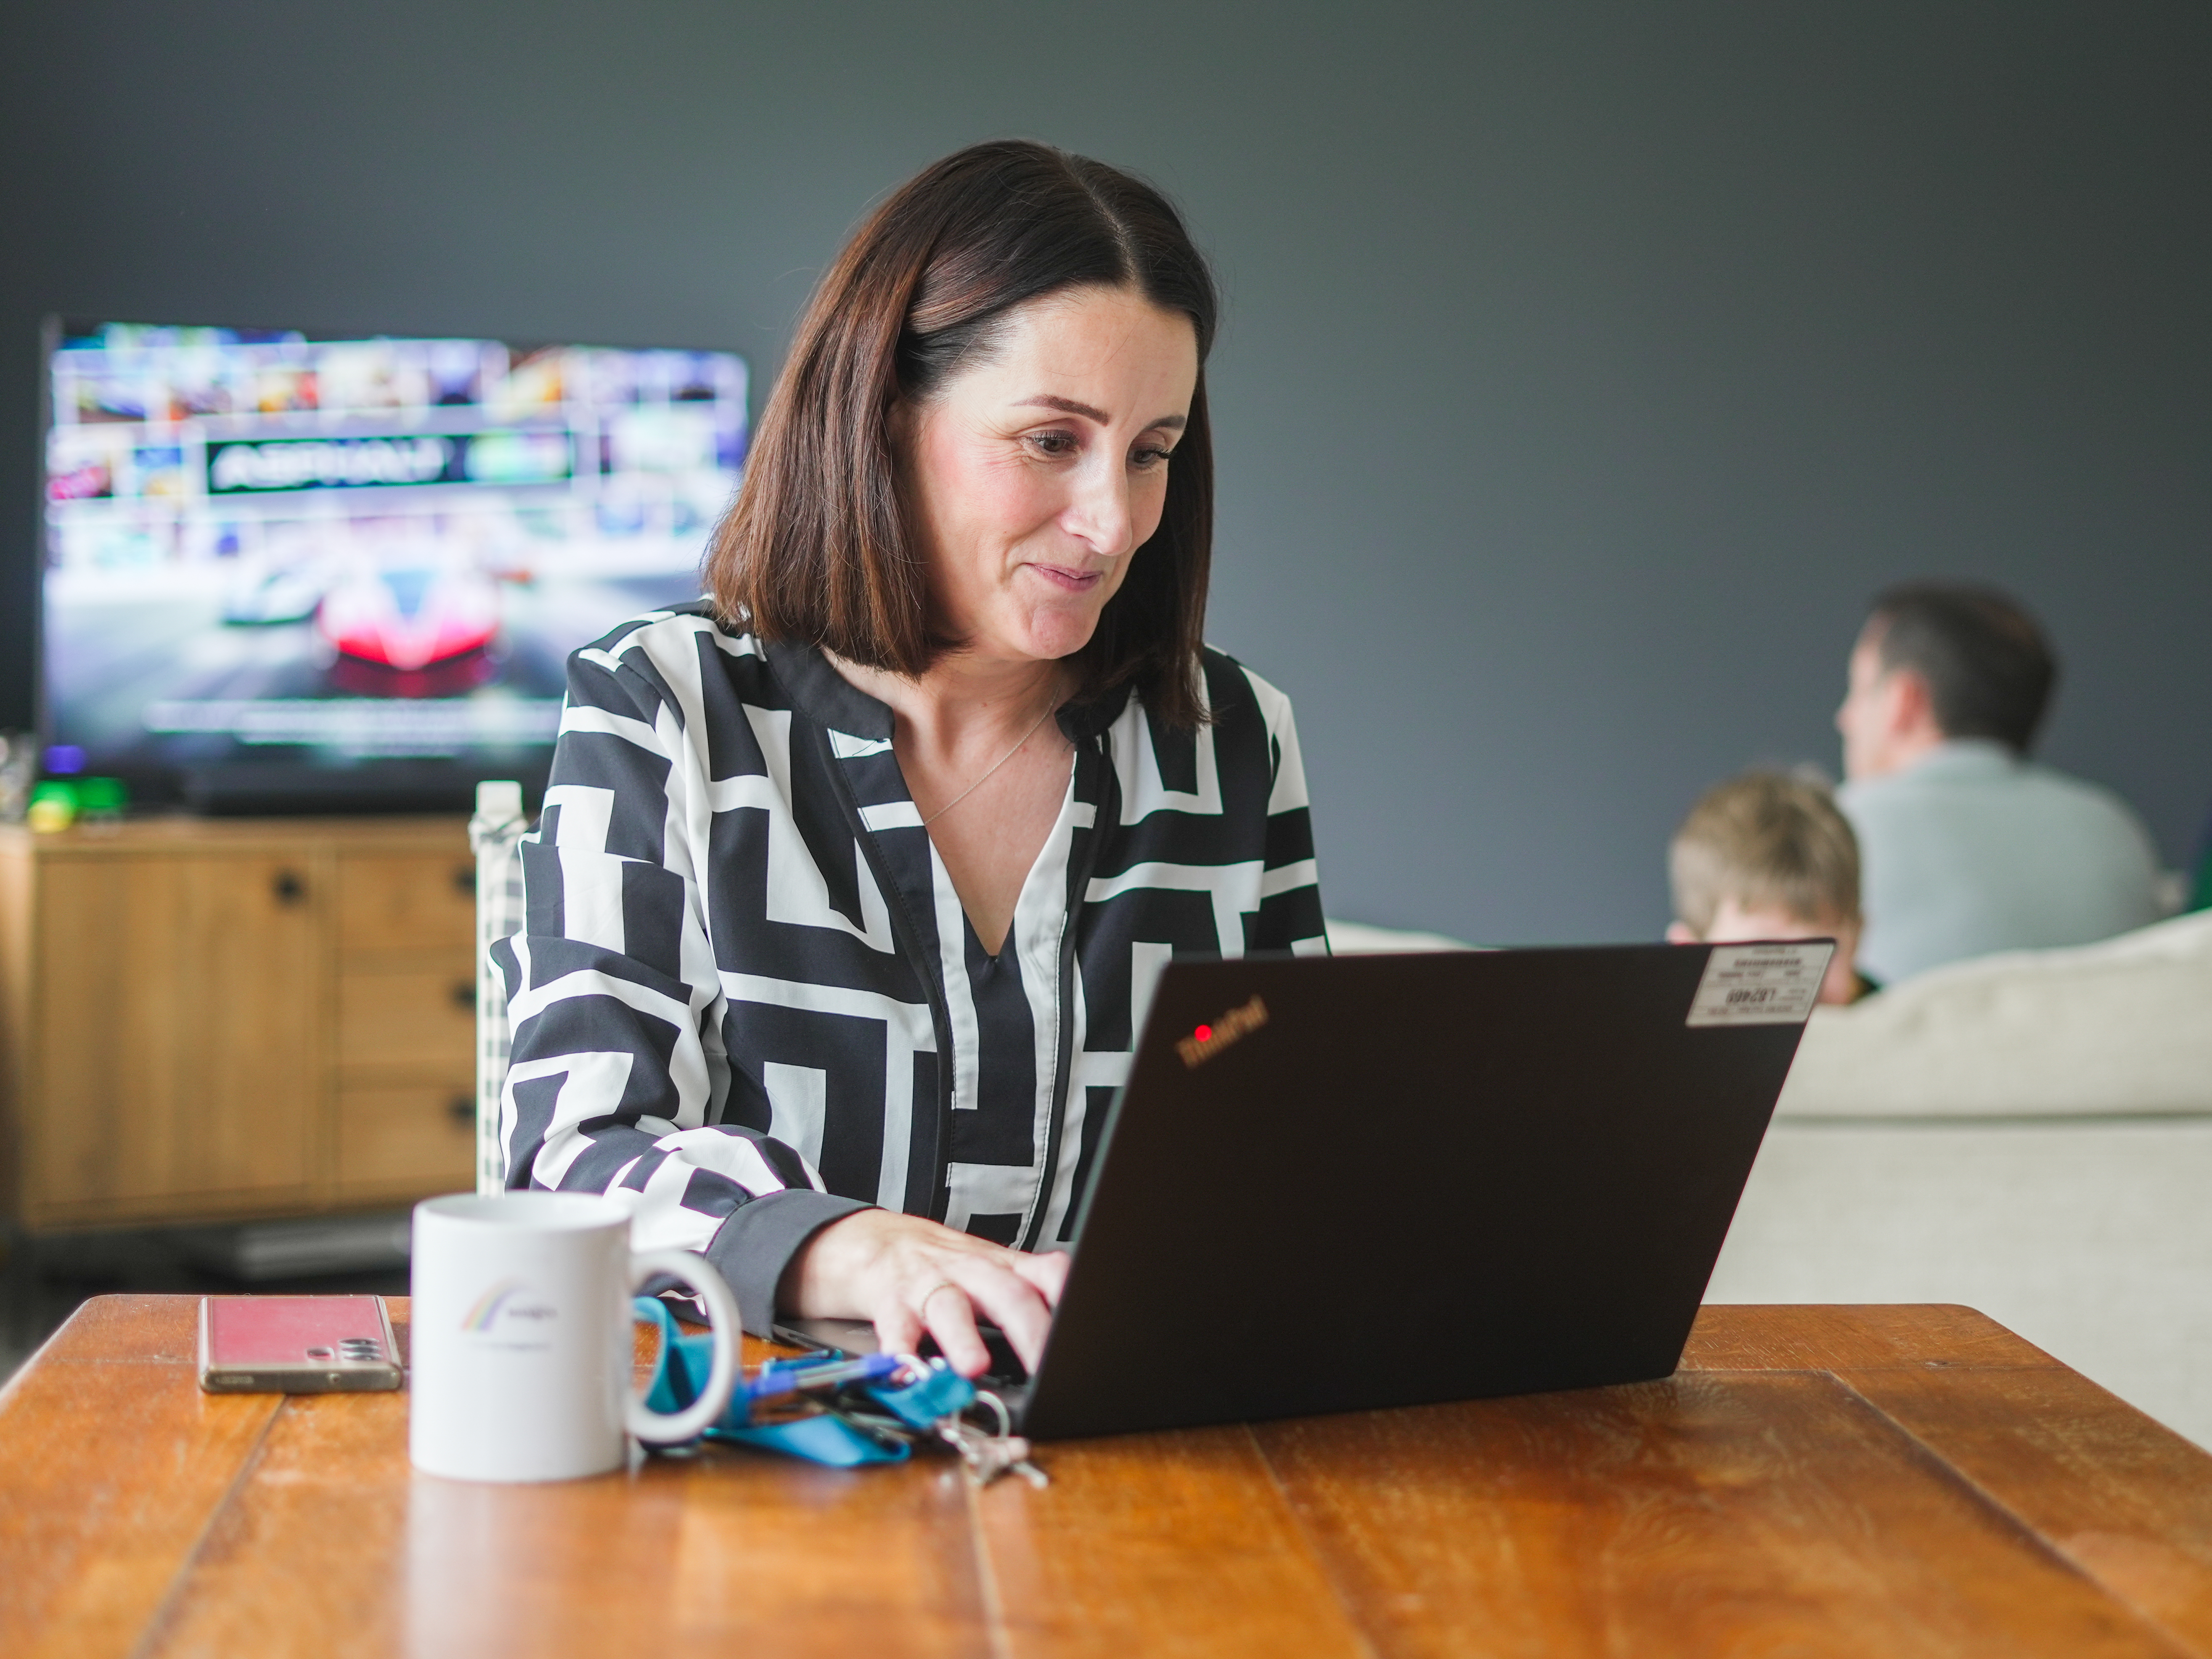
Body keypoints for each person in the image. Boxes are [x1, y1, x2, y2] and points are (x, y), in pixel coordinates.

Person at [495, 142, 1326, 1378]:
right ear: (887, 415)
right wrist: (852, 1250)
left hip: (1139, 1476)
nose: (1112, 523)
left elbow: (1297, 1151)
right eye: (1052, 440)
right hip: (764, 1461)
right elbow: (573, 1152)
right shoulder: (666, 705)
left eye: (1150, 451)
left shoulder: (1229, 740)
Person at [1833, 582, 2162, 985]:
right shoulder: (2115, 830)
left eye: (1859, 691)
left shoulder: (1836, 833)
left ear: (1905, 701)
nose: (1844, 718)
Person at [1666, 772, 1870, 1005]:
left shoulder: (1901, 1029)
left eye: (1822, 955)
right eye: (1762, 958)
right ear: (1688, 960)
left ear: (1857, 940)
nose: (1798, 989)